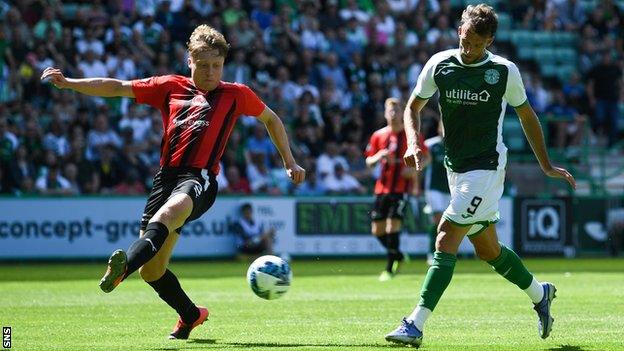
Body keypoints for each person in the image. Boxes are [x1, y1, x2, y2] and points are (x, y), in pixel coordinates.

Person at [40, 24, 305, 340]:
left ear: (224, 64)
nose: (210, 72)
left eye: (216, 66)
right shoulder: (168, 86)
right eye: (203, 65)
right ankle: (191, 315)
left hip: (201, 178)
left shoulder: (236, 95)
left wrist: (289, 160)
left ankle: (120, 272)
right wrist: (69, 83)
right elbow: (116, 87)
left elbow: (271, 120)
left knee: (167, 215)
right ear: (189, 61)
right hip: (164, 179)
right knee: (151, 270)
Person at [385, 5, 576, 347]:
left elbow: (527, 116)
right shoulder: (439, 64)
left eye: (475, 42)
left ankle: (415, 324)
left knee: (445, 237)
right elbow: (413, 107)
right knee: (488, 250)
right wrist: (414, 143)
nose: (467, 47)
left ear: (489, 40)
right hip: (455, 169)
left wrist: (546, 165)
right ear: (459, 30)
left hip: (486, 169)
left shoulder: (504, 71)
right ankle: (540, 293)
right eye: (464, 38)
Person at [364, 98, 418, 282]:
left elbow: (425, 157)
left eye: (397, 110)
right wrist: (378, 156)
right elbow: (369, 162)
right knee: (377, 230)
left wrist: (414, 169)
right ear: (385, 114)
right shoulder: (378, 136)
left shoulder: (410, 135)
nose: (393, 113)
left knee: (392, 226)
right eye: (390, 110)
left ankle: (389, 269)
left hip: (401, 189)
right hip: (382, 189)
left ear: (403, 112)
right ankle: (398, 254)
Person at [423, 119, 450, 266]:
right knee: (438, 219)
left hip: (451, 189)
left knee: (448, 223)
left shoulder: (456, 145)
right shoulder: (430, 145)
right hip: (433, 188)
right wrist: (415, 185)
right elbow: (422, 166)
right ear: (439, 127)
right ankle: (431, 252)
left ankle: (445, 252)